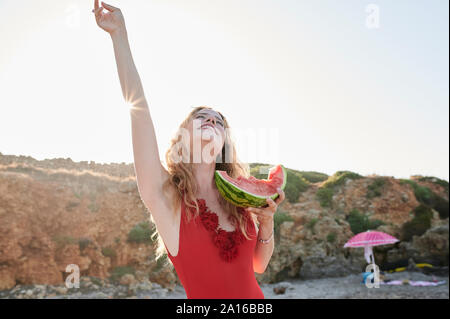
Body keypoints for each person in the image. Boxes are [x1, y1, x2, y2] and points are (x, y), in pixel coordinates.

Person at [92, 1, 285, 299]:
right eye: (201, 116)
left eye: (219, 121)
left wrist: (267, 221)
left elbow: (259, 264)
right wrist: (120, 36)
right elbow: (139, 112)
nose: (211, 119)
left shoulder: (238, 200)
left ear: (225, 144)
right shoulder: (165, 197)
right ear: (182, 137)